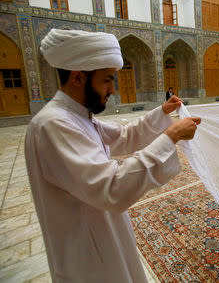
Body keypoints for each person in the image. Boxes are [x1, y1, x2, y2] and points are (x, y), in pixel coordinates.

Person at [24, 29, 201, 283]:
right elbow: (112, 187)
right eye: (107, 80)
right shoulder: (53, 125)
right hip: (87, 256)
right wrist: (170, 137)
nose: (112, 89)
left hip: (103, 237)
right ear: (77, 77)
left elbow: (124, 136)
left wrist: (162, 113)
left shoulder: (77, 116)